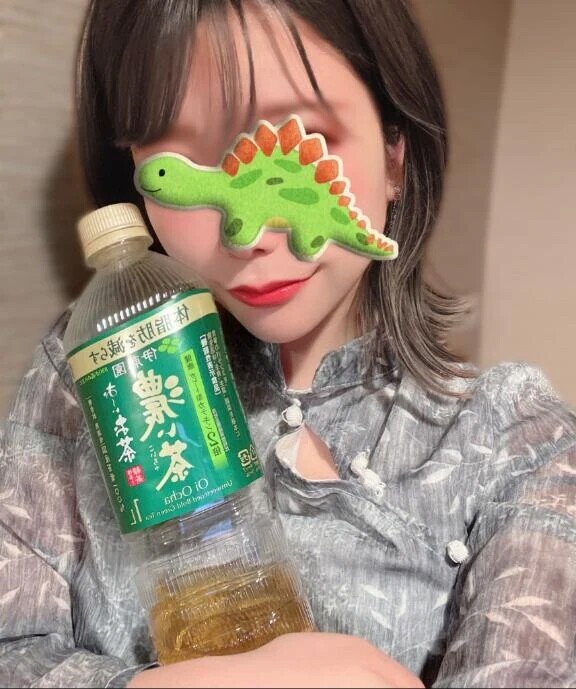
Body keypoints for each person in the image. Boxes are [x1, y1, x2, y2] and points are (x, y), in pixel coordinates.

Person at [1, 0, 575, 687]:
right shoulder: (95, 358)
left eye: (309, 133)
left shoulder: (519, 440)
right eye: (176, 160)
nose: (246, 239)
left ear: (394, 151)